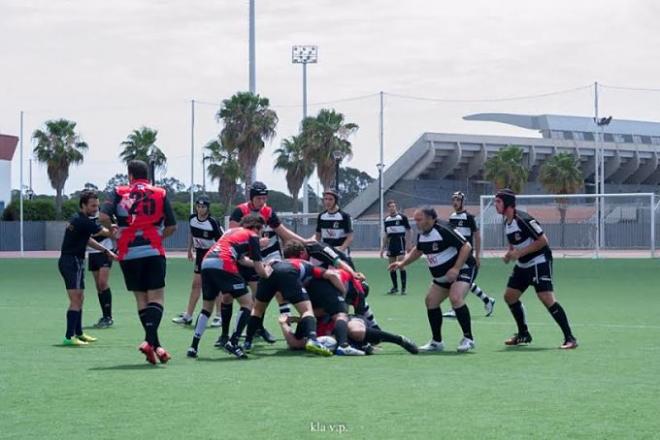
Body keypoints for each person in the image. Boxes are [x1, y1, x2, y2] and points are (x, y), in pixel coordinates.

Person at [100, 160, 177, 365]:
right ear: (148, 177)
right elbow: (171, 226)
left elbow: (103, 215)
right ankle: (149, 341)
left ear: (130, 176)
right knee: (157, 298)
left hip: (128, 253)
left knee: (141, 299)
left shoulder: (120, 192)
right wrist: (159, 237)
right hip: (152, 250)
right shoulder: (160, 193)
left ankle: (155, 346)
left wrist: (113, 231)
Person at [494, 189, 578, 349]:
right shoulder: (507, 222)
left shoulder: (524, 219)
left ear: (508, 203)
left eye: (498, 202)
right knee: (510, 296)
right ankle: (523, 334)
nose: (495, 205)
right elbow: (514, 241)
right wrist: (509, 253)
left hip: (539, 262)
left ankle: (570, 338)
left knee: (546, 298)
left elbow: (543, 241)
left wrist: (519, 253)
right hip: (523, 264)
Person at [226, 181, 308, 344]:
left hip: (269, 257)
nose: (262, 202)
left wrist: (305, 241)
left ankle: (268, 329)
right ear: (251, 198)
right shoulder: (240, 211)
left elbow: (283, 233)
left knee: (276, 293)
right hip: (246, 258)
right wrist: (254, 242)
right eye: (259, 198)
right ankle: (225, 335)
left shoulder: (268, 212)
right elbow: (232, 235)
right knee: (227, 296)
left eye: (264, 198)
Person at [389, 207, 477, 353]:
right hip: (441, 276)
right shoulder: (423, 234)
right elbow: (418, 250)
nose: (416, 223)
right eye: (415, 220)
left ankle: (468, 338)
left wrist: (455, 268)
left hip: (463, 268)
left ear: (431, 219)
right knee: (431, 301)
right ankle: (437, 342)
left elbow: (466, 246)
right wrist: (402, 263)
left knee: (455, 298)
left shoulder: (444, 229)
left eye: (419, 219)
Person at [243, 240, 346, 357]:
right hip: (289, 272)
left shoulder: (277, 261)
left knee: (257, 310)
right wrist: (343, 292)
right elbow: (331, 275)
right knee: (307, 310)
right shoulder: (306, 264)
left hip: (269, 271)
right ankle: (313, 340)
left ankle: (248, 342)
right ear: (301, 254)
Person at [187, 214, 269, 359]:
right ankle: (233, 342)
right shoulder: (252, 236)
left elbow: (242, 260)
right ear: (257, 227)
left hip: (206, 263)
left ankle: (193, 346)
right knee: (248, 303)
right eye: (261, 230)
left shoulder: (231, 231)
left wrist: (262, 265)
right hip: (224, 263)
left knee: (207, 308)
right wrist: (268, 270)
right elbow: (259, 270)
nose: (261, 233)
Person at [58, 190, 117, 345]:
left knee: (80, 298)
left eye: (97, 206)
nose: (95, 209)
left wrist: (105, 250)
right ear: (83, 205)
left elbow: (88, 240)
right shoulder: (83, 221)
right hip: (71, 262)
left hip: (75, 262)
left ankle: (79, 333)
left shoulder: (80, 219)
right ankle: (69, 337)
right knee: (75, 299)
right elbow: (105, 232)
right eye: (92, 206)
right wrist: (116, 229)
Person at [172, 196, 224, 326]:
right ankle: (188, 316)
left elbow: (221, 241)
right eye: (198, 206)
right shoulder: (192, 219)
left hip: (213, 255)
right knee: (196, 285)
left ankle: (219, 316)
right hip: (200, 254)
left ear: (208, 208)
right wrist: (189, 250)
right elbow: (191, 233)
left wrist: (220, 257)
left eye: (203, 207)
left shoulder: (212, 222)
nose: (200, 209)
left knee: (215, 286)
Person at [444, 191, 496, 317]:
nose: (455, 202)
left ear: (462, 202)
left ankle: (455, 308)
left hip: (467, 256)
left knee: (462, 283)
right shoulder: (452, 217)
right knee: (464, 282)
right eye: (453, 200)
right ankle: (487, 300)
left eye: (457, 200)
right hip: (455, 257)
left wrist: (478, 256)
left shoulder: (469, 218)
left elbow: (477, 237)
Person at [278, 313, 418, 355]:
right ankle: (362, 346)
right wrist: (283, 324)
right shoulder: (306, 322)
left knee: (356, 331)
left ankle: (399, 340)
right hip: (337, 339)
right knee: (332, 341)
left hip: (349, 319)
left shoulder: (332, 308)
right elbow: (294, 344)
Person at [88, 215, 116, 328]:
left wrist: (100, 232)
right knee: (98, 287)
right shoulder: (84, 218)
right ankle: (104, 316)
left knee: (102, 283)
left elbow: (113, 232)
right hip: (92, 253)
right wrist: (99, 232)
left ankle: (108, 317)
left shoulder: (104, 217)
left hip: (106, 252)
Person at [380, 200, 411, 295]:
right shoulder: (386, 219)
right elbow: (386, 234)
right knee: (392, 267)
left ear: (395, 207)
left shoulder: (402, 217)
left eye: (394, 206)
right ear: (388, 208)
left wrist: (409, 243)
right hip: (391, 243)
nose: (392, 208)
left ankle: (403, 288)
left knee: (401, 265)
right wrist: (382, 248)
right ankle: (395, 287)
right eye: (390, 207)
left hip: (400, 242)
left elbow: (409, 230)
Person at [315, 189, 354, 265]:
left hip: (340, 251)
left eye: (330, 199)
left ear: (335, 200)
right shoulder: (321, 216)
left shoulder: (344, 216)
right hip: (326, 251)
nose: (327, 202)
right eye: (325, 199)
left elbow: (350, 238)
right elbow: (318, 236)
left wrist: (340, 250)